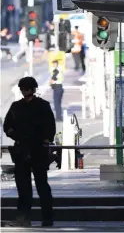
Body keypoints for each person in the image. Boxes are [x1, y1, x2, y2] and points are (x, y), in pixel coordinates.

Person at [3, 77, 56, 227]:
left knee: (31, 187)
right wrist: (44, 140)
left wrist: (16, 135)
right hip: (31, 149)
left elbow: (8, 127)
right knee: (35, 186)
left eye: (26, 89)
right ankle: (42, 218)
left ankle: (28, 218)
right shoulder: (40, 106)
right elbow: (7, 127)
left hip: (30, 149)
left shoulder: (18, 107)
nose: (25, 91)